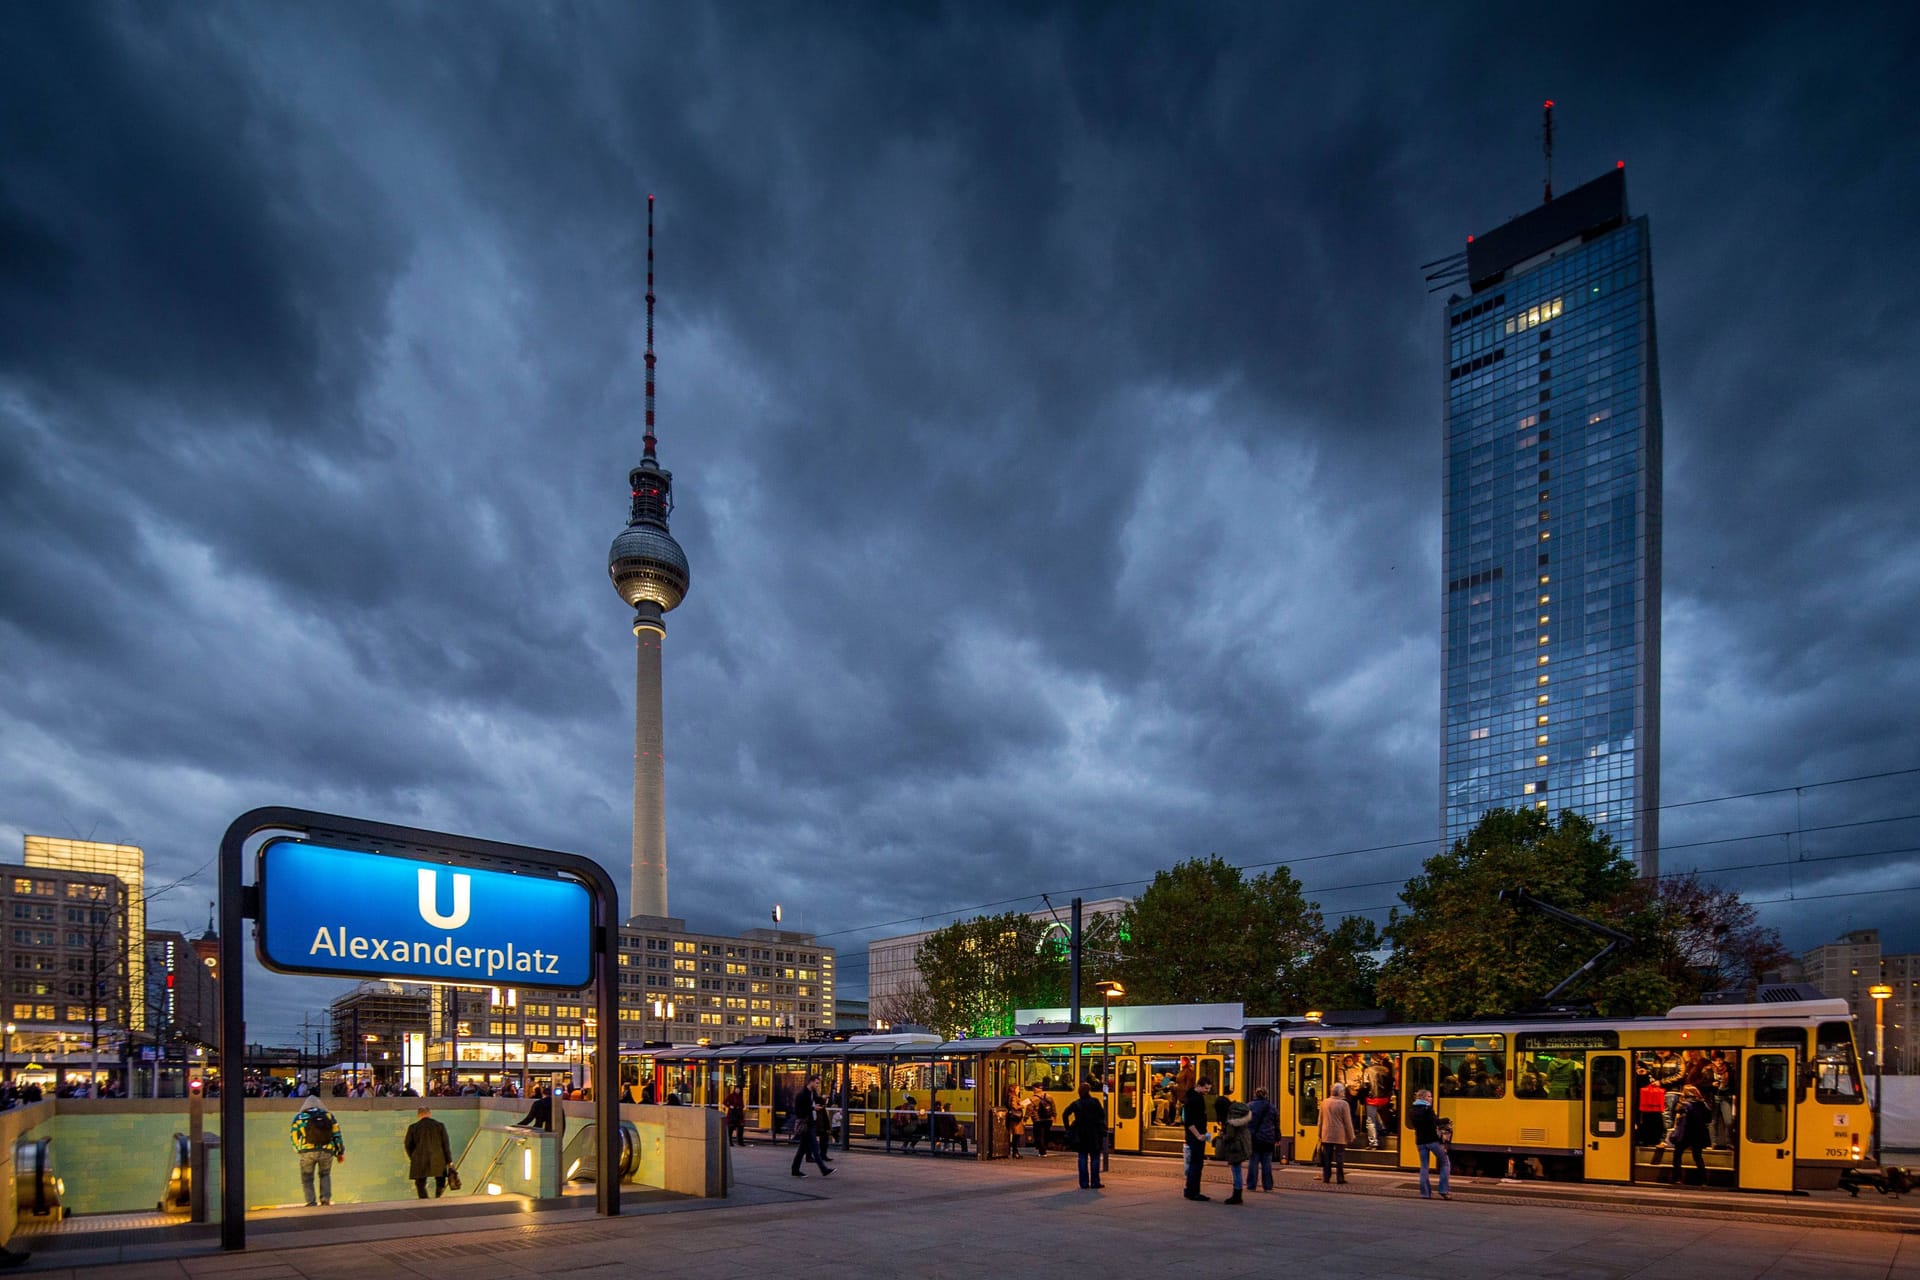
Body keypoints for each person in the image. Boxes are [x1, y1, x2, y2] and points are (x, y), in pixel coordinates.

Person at [290, 1098, 345, 1206]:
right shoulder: (329, 1116)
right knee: (325, 1174)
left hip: (307, 1151)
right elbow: (337, 1135)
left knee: (307, 1177)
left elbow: (294, 1136)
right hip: (326, 1150)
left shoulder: (300, 1117)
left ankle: (311, 1202)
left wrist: (298, 1149)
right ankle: (325, 1199)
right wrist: (339, 1152)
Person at [1061, 1080, 1107, 1190]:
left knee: (1082, 1157)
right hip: (1094, 1133)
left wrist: (1068, 1128)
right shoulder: (1095, 1102)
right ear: (1089, 1091)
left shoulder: (1076, 1103)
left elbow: (1065, 1114)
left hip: (1080, 1133)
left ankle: (1084, 1183)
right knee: (1095, 1157)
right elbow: (1102, 1115)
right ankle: (1095, 1182)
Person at [1408, 1088, 1451, 1199]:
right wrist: (1446, 1119)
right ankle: (1443, 1189)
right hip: (1432, 1141)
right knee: (1445, 1163)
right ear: (1423, 1097)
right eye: (1429, 1096)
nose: (1431, 1099)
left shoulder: (1412, 1110)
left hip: (1420, 1142)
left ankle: (1425, 1193)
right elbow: (1435, 1122)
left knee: (1424, 1167)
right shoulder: (1427, 1109)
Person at [404, 1106, 453, 1199]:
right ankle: (438, 1199)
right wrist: (449, 1161)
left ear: (418, 1115)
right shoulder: (439, 1126)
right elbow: (446, 1145)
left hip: (419, 1159)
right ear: (429, 1114)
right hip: (438, 1158)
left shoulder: (413, 1127)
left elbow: (408, 1145)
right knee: (440, 1181)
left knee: (420, 1183)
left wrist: (413, 1157)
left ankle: (424, 1200)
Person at [1668, 1084, 1712, 1185]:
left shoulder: (1683, 1104)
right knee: (1697, 1156)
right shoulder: (1703, 1104)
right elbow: (1708, 1119)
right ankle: (1703, 1179)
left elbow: (1678, 1119)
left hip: (1685, 1134)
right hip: (1698, 1134)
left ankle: (1677, 1178)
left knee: (1677, 1155)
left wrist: (1675, 1130)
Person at [790, 1076, 832, 1177]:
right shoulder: (802, 1095)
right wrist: (812, 1108)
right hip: (806, 1124)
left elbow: (819, 1103)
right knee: (815, 1147)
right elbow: (798, 1110)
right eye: (816, 1083)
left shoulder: (812, 1093)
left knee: (802, 1149)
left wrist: (822, 1098)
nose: (818, 1085)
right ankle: (824, 1169)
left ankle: (795, 1169)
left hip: (811, 1123)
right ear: (811, 1082)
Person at [1214, 1097, 1253, 1205]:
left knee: (1236, 1171)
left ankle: (1237, 1195)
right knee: (1237, 1170)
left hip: (1236, 1147)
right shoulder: (1238, 1113)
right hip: (1242, 1143)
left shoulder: (1231, 1118)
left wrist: (1222, 1136)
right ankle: (1237, 1194)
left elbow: (1230, 1135)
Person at [1317, 1082, 1354, 1184]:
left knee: (1327, 1157)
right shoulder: (1344, 1104)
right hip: (1339, 1135)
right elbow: (1347, 1122)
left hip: (1326, 1134)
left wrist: (1319, 1133)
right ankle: (1340, 1178)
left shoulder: (1324, 1102)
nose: (1344, 1093)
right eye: (1343, 1091)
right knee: (1339, 1157)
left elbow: (1320, 1120)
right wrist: (1351, 1136)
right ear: (1340, 1092)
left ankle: (1326, 1177)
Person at [1181, 1077, 1211, 1201]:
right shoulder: (1195, 1099)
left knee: (1194, 1164)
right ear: (1199, 1085)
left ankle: (1190, 1190)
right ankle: (1194, 1192)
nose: (1207, 1091)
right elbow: (1189, 1121)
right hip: (1196, 1137)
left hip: (1193, 1136)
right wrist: (1199, 1135)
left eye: (1209, 1088)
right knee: (1196, 1165)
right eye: (1206, 1088)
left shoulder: (1190, 1096)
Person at [1246, 1086, 1279, 1192]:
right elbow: (1276, 1123)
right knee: (1267, 1164)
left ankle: (1251, 1185)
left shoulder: (1249, 1106)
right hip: (1268, 1139)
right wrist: (1277, 1137)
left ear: (1255, 1094)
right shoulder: (1272, 1107)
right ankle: (1268, 1186)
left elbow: (1247, 1122)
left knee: (1253, 1162)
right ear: (1266, 1095)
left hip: (1254, 1138)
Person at [1030, 1084, 1056, 1156]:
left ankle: (1042, 1151)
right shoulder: (1049, 1096)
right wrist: (1054, 1115)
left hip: (1038, 1120)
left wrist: (1025, 1118)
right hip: (1048, 1119)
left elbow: (1029, 1109)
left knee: (1039, 1135)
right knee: (1046, 1134)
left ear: (1035, 1089)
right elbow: (1053, 1106)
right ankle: (1044, 1149)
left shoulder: (1033, 1098)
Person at [723, 1081, 746, 1147]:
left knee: (741, 1128)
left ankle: (740, 1142)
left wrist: (740, 1107)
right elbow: (725, 1102)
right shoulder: (731, 1096)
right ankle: (730, 1142)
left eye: (739, 1089)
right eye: (737, 1089)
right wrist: (730, 1106)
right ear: (735, 1089)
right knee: (731, 1129)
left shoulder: (740, 1097)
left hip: (739, 1114)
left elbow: (742, 1105)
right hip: (732, 1114)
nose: (738, 1090)